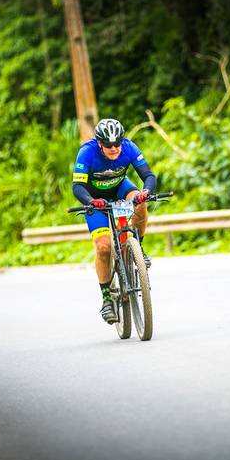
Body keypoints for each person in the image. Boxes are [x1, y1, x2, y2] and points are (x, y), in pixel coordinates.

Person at [71, 118, 156, 324]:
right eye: (109, 145)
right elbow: (77, 187)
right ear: (100, 143)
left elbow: (148, 175)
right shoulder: (87, 152)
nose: (114, 148)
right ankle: (107, 298)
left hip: (120, 188)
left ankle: (138, 248)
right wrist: (91, 201)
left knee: (140, 203)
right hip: (95, 199)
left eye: (117, 143)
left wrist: (146, 191)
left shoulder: (129, 147)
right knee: (103, 247)